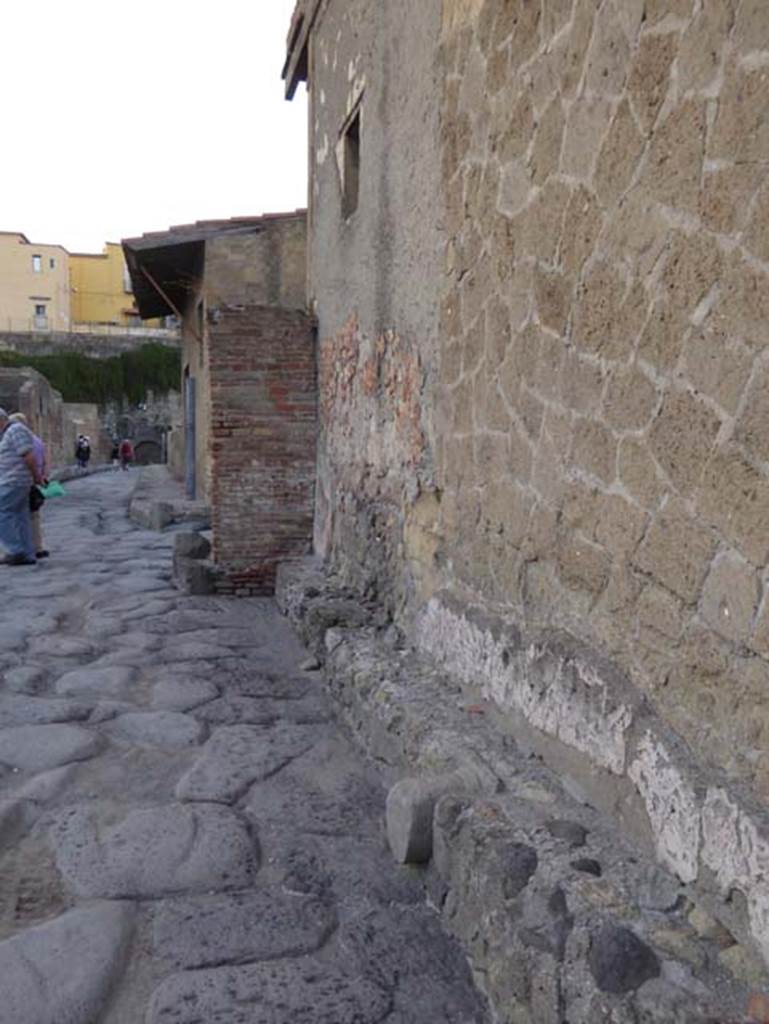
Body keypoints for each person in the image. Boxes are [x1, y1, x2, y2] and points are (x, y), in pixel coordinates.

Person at [0, 407, 44, 566]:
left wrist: (36, 476)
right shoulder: (9, 433)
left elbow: (28, 456)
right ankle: (27, 553)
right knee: (21, 516)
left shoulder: (15, 430)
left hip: (13, 481)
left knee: (3, 514)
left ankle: (15, 550)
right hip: (17, 481)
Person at [9, 413, 49, 559]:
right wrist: (42, 476)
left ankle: (19, 549)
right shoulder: (37, 441)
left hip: (19, 481)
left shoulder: (16, 441)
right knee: (34, 516)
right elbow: (44, 461)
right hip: (34, 482)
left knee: (15, 517)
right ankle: (38, 547)